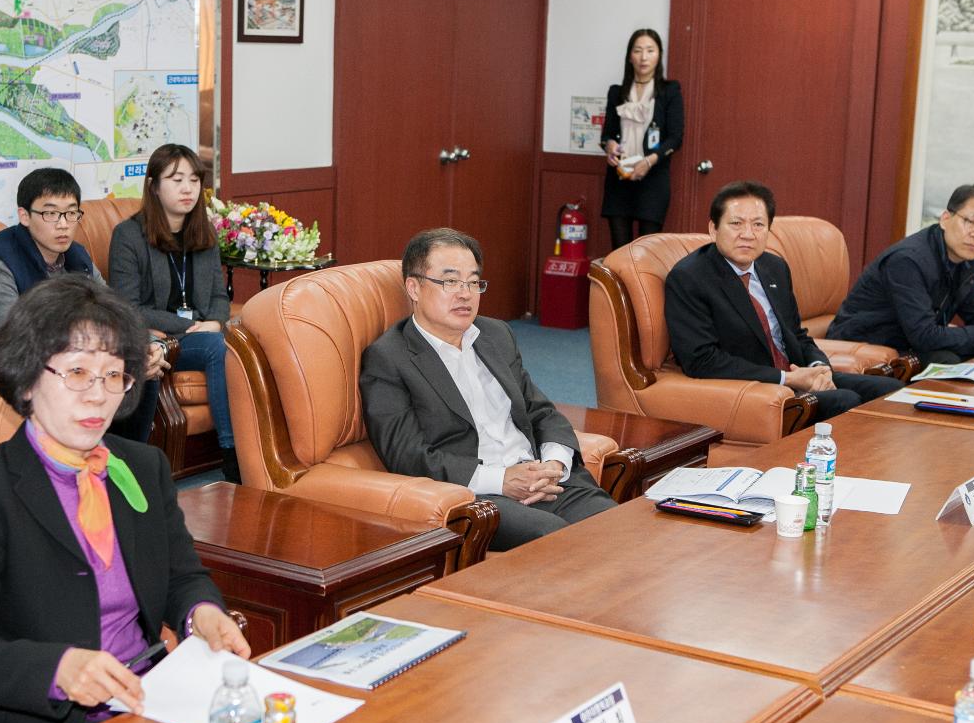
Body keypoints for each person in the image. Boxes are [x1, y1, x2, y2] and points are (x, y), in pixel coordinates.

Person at [0, 275, 249, 723]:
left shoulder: (141, 466)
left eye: (114, 376)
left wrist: (202, 615)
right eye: (77, 373)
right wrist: (59, 669)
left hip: (144, 711)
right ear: (29, 379)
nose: (98, 397)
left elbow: (182, 577)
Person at [360, 228, 617, 551]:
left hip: (542, 481)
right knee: (561, 545)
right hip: (479, 496)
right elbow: (407, 455)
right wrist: (503, 480)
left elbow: (540, 410)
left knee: (616, 529)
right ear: (414, 287)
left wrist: (554, 465)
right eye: (450, 282)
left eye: (473, 282)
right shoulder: (390, 358)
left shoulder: (495, 334)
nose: (465, 294)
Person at [0, 167, 167, 442]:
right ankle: (78, 464)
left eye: (71, 213)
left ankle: (119, 465)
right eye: (50, 213)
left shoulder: (76, 256)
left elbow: (114, 313)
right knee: (90, 372)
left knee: (138, 368)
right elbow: (21, 335)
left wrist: (148, 345)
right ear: (24, 216)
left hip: (63, 353)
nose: (63, 224)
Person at [665, 181, 903, 421]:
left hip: (795, 374)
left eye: (758, 224)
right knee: (845, 400)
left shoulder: (774, 267)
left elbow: (797, 335)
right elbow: (701, 361)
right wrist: (787, 379)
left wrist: (819, 370)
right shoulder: (690, 277)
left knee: (889, 390)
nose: (748, 234)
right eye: (736, 223)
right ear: (714, 229)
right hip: (756, 386)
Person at [108, 144, 239, 482]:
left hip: (200, 333)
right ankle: (233, 457)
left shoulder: (203, 232)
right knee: (215, 346)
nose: (187, 188)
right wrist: (194, 325)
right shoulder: (128, 236)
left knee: (236, 341)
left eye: (194, 180)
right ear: (153, 185)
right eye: (176, 179)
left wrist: (215, 321)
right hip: (161, 338)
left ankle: (253, 452)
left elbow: (217, 296)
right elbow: (128, 308)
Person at [827, 183, 974, 367]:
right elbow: (923, 335)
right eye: (970, 222)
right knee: (948, 360)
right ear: (945, 219)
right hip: (864, 341)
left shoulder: (967, 261)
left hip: (907, 340)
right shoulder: (908, 260)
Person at [600, 28, 685, 250]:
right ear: (630, 56)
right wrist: (609, 146)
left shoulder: (670, 91)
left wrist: (649, 161)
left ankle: (641, 287)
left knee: (646, 251)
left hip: (653, 179)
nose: (644, 57)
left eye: (650, 50)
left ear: (659, 55)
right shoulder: (616, 92)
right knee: (619, 251)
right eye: (638, 50)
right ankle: (619, 287)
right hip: (619, 178)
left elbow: (676, 138)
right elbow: (606, 136)